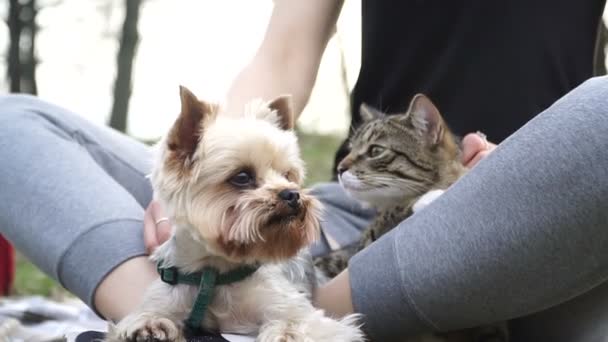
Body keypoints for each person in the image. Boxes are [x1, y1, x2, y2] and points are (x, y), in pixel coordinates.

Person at [0, 1, 607, 341]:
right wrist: (212, 169)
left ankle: (292, 319)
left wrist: (518, 175)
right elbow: (281, 56)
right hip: (337, 219)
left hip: (519, 221)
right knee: (15, 123)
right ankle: (169, 315)